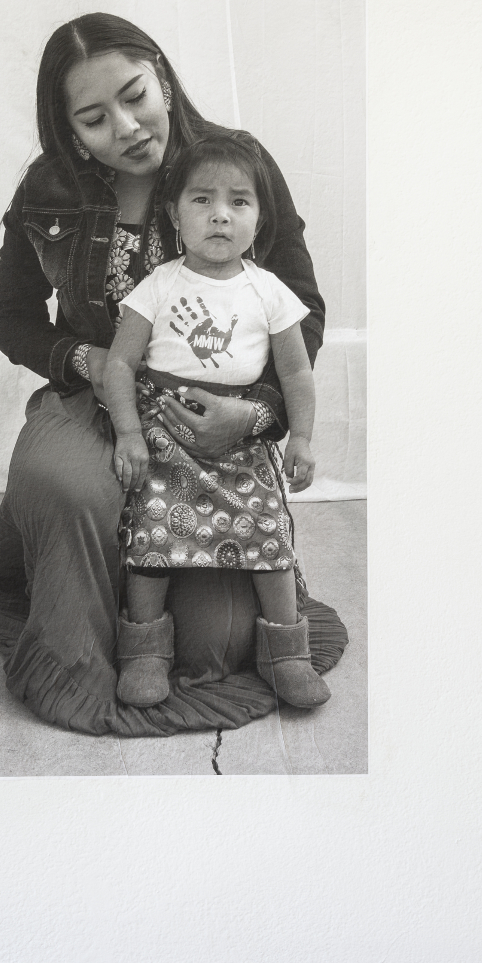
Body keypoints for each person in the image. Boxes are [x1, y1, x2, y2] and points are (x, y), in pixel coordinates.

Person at [0, 12, 347, 737]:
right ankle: (64, 596)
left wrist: (259, 415)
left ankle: (128, 597)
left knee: (214, 641)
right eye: (96, 118)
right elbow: (11, 319)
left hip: (215, 421)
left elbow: (303, 315)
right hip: (92, 395)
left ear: (162, 77)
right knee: (69, 489)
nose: (128, 126)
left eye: (136, 95)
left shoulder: (236, 168)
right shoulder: (48, 191)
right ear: (72, 132)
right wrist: (83, 358)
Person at [104, 129, 331, 712]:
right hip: (166, 435)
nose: (220, 216)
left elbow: (297, 374)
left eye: (239, 201)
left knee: (271, 536)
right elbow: (122, 363)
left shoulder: (271, 292)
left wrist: (300, 438)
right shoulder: (157, 286)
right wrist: (129, 431)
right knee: (151, 532)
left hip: (242, 443)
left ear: (259, 219)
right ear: (175, 215)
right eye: (202, 200)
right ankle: (145, 651)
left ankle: (288, 653)